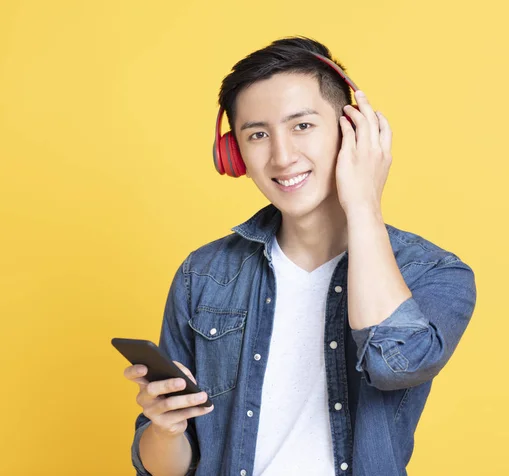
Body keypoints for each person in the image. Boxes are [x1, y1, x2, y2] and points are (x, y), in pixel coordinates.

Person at [122, 35, 477, 476]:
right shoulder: (204, 275)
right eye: (257, 134)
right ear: (235, 154)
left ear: (353, 130)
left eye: (302, 126)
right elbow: (166, 469)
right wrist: (166, 429)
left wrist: (364, 203)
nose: (282, 156)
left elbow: (392, 366)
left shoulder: (435, 273)